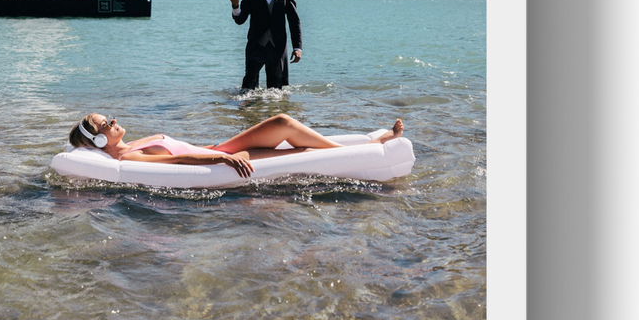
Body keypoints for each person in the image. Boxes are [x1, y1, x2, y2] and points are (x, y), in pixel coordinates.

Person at [68, 111, 403, 179]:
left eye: (109, 117)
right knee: (284, 126)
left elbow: (183, 147)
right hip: (223, 156)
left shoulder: (131, 143)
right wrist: (223, 161)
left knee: (287, 134)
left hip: (220, 147)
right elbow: (177, 161)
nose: (113, 120)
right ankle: (372, 146)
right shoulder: (131, 157)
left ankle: (371, 142)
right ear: (99, 140)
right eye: (105, 123)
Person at [227, 0, 301, 90]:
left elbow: (294, 21)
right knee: (248, 89)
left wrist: (297, 47)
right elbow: (240, 20)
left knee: (277, 91)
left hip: (278, 47)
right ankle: (248, 111)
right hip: (256, 46)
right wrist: (235, 5)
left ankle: (274, 112)